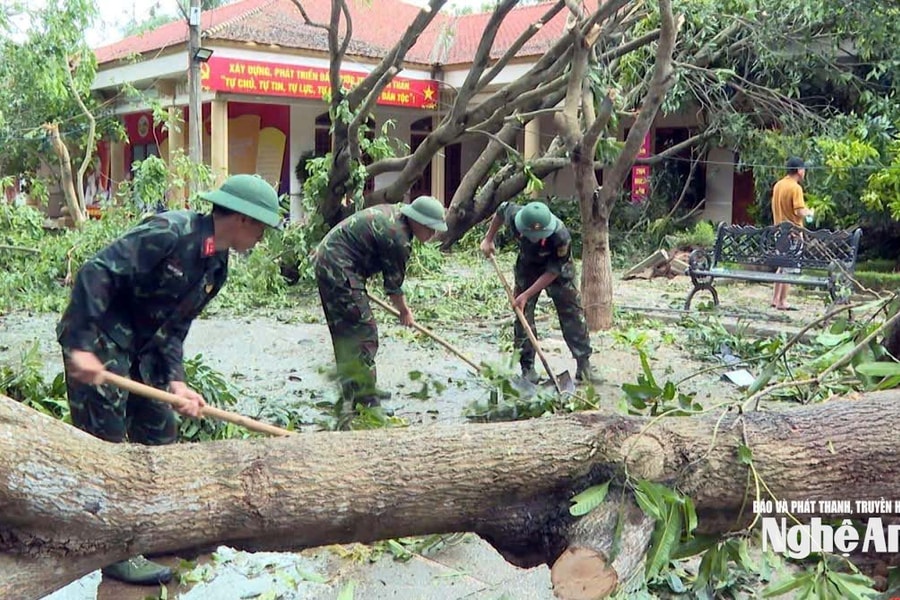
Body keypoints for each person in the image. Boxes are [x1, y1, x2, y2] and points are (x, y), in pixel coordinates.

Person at [56, 174, 282, 586]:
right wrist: (82, 346)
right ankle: (114, 551)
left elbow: (175, 330)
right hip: (102, 340)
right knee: (106, 451)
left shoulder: (216, 265)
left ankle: (153, 531)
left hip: (144, 352)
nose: (262, 238)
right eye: (262, 227)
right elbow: (96, 272)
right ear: (245, 220)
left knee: (161, 433)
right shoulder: (170, 232)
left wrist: (176, 382)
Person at [313, 196, 447, 410]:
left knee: (346, 333)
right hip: (339, 268)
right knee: (364, 333)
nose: (433, 234)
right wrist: (405, 312)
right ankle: (365, 400)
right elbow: (393, 288)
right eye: (431, 229)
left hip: (330, 260)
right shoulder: (398, 237)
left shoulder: (396, 215)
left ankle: (355, 391)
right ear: (419, 221)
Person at [480, 200, 600, 384]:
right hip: (528, 265)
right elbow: (500, 210)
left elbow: (553, 271)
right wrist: (488, 239)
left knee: (572, 312)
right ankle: (527, 368)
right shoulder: (514, 215)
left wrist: (527, 293)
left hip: (558, 270)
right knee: (522, 315)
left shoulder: (561, 236)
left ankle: (584, 365)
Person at [770, 157, 813, 310]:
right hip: (793, 234)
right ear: (799, 170)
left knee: (782, 266)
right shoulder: (795, 188)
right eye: (804, 169)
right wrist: (810, 212)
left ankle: (775, 299)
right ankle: (782, 301)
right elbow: (799, 210)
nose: (805, 172)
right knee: (789, 267)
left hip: (778, 231)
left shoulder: (778, 185)